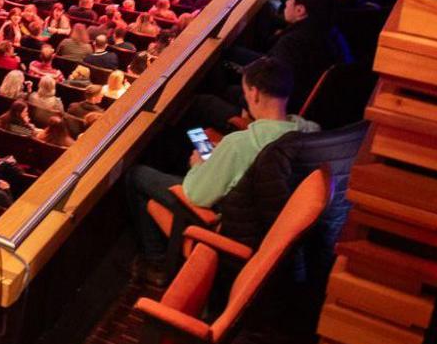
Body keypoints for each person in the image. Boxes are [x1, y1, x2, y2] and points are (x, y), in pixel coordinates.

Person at [127, 57, 316, 284]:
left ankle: (157, 264)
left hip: (229, 222)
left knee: (136, 175)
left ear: (254, 93)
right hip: (276, 227)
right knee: (199, 137)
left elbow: (196, 194)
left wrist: (198, 163)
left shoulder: (238, 145)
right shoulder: (311, 131)